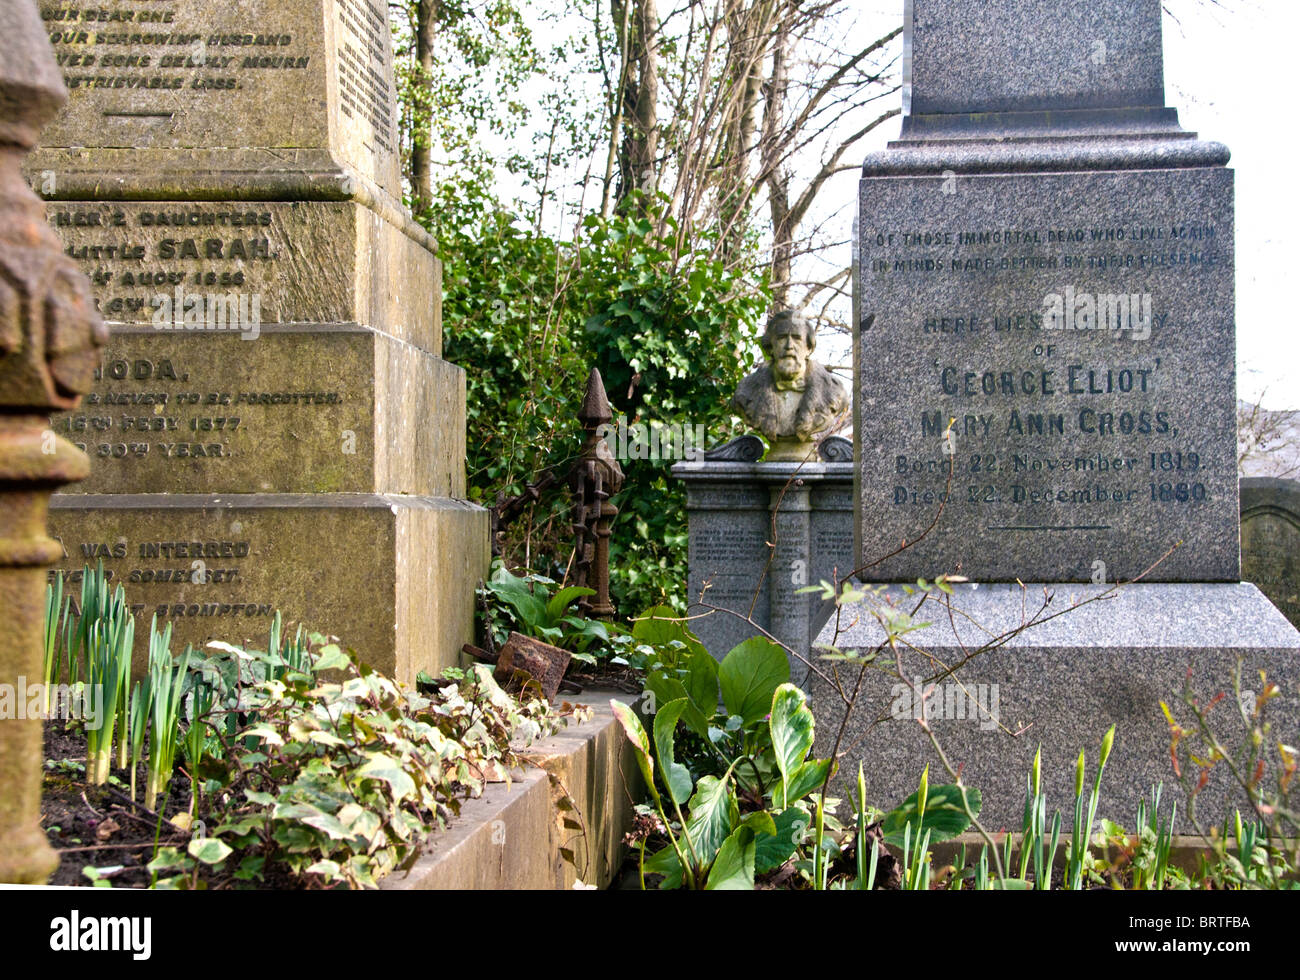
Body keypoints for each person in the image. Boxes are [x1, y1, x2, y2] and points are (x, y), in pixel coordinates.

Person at [732, 310, 849, 461]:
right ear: (770, 347)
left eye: (797, 338)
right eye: (781, 338)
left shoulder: (833, 392)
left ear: (808, 348)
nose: (789, 346)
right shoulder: (746, 391)